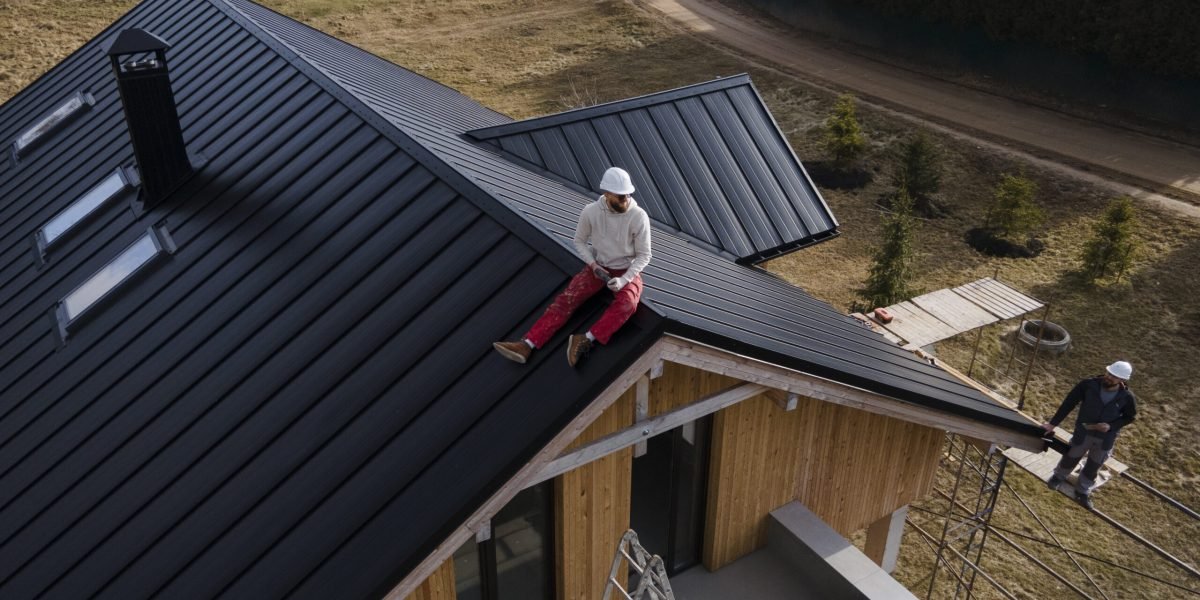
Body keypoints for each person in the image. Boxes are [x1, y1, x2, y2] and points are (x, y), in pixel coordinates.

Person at [493, 167, 651, 367]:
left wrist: (625, 279)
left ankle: (586, 339)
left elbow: (645, 255)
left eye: (626, 195)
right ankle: (527, 344)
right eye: (619, 196)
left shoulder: (638, 216)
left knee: (627, 304)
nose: (624, 199)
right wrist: (593, 265)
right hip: (598, 267)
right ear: (606, 193)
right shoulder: (590, 212)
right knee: (567, 299)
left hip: (626, 271)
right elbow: (579, 241)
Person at [1042, 361, 1138, 509]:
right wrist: (1053, 424)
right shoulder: (1088, 385)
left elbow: (1130, 417)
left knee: (1094, 465)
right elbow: (1069, 403)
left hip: (1105, 439)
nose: (1109, 377)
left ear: (1123, 380)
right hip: (1083, 432)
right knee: (1071, 455)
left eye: (1114, 377)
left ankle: (1083, 491)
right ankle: (1058, 477)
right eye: (1109, 373)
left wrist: (1111, 426)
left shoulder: (1127, 397)